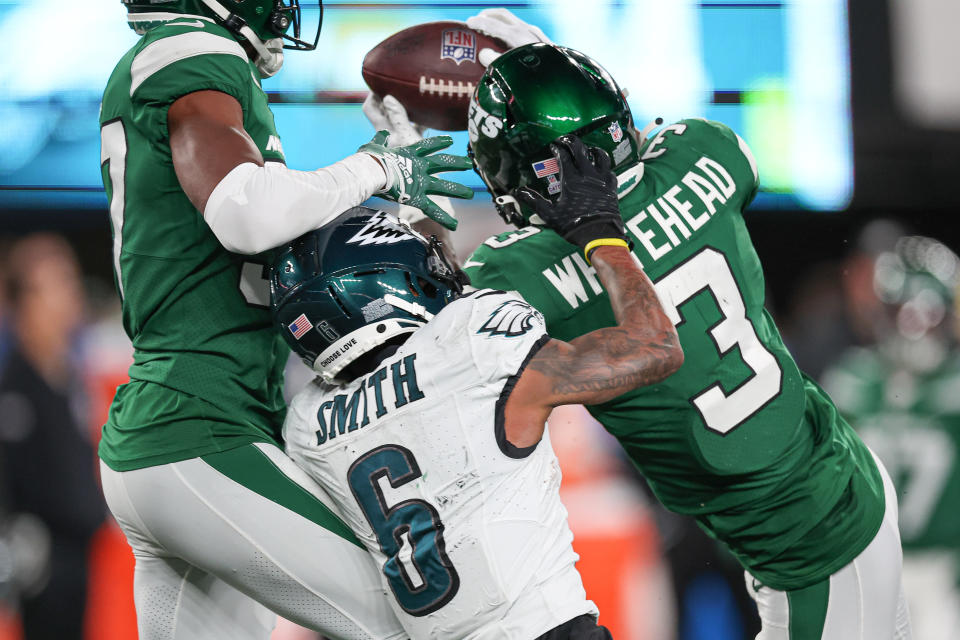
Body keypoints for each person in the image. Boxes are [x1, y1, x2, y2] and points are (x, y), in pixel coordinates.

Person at [365, 26, 912, 639]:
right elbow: (653, 162)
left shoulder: (519, 271)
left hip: (812, 547)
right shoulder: (704, 149)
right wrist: (564, 74)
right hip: (830, 477)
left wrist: (411, 192)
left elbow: (440, 328)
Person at [97, 1, 476, 638]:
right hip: (199, 426)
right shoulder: (192, 52)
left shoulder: (193, 62)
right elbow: (245, 212)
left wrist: (395, 167)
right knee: (421, 613)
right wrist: (376, 166)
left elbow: (298, 243)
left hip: (188, 427)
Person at [274, 137, 683, 639]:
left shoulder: (308, 425)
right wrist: (601, 234)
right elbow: (655, 346)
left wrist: (420, 203)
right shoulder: (473, 347)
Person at [822, 235, 960, 640]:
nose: (915, 328)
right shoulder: (852, 379)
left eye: (927, 315)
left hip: (945, 572)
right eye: (904, 313)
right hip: (867, 567)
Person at [0, 235, 106, 639]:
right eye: (57, 283)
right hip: (42, 568)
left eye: (71, 280)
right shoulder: (16, 389)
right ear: (24, 302)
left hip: (81, 558)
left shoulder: (70, 377)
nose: (70, 295)